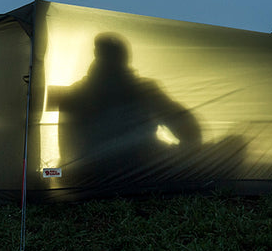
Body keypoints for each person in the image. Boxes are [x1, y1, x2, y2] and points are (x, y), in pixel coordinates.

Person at [46, 33, 201, 183]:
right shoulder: (144, 90)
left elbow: (67, 152)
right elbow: (190, 131)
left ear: (96, 55)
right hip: (143, 169)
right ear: (125, 58)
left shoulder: (74, 93)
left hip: (87, 177)